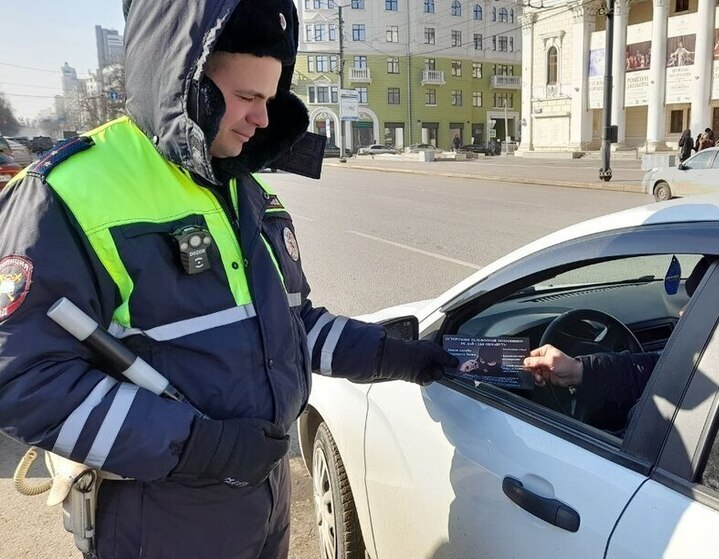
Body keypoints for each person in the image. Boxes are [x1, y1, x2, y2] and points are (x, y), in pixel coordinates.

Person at [0, 1, 457, 558]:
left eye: (269, 99)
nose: (263, 119)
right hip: (163, 510)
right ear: (182, 84)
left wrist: (400, 357)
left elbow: (290, 325)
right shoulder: (66, 192)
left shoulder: (240, 186)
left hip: (261, 493)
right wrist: (198, 448)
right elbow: (23, 381)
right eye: (246, 97)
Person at [523, 257, 709, 431]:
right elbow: (655, 374)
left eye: (706, 302)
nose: (683, 311)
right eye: (690, 299)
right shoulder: (715, 365)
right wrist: (578, 370)